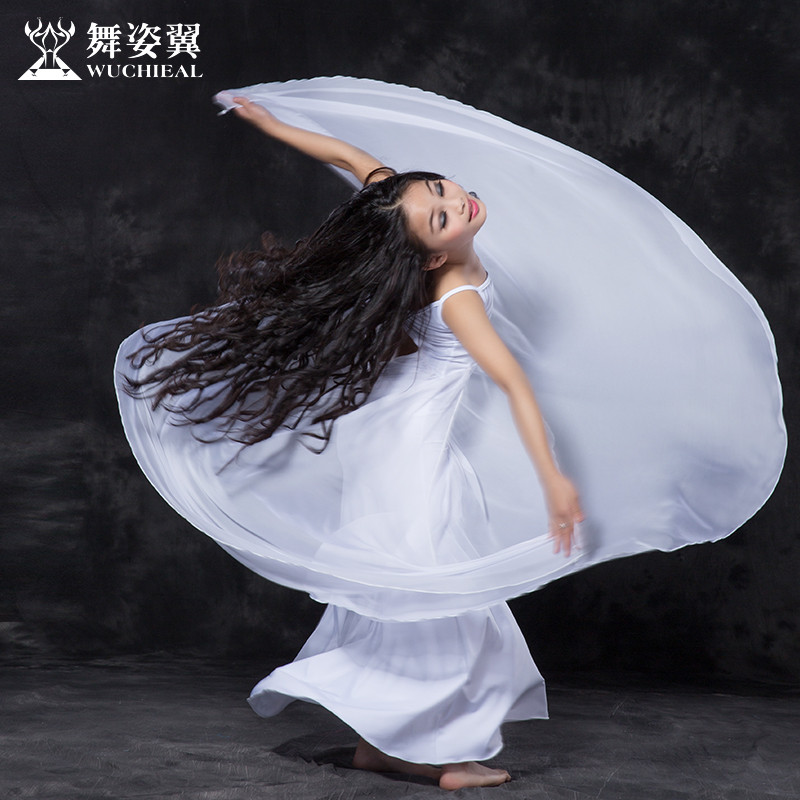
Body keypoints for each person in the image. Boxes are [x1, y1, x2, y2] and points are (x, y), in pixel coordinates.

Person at [115, 78, 785, 792]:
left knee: (426, 599)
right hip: (407, 455)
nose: (455, 201)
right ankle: (426, 752)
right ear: (432, 257)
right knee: (436, 600)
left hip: (396, 435)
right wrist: (555, 480)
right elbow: (514, 385)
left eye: (441, 188)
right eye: (440, 215)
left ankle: (388, 747)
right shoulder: (457, 295)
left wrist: (268, 121)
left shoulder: (403, 213)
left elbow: (348, 156)